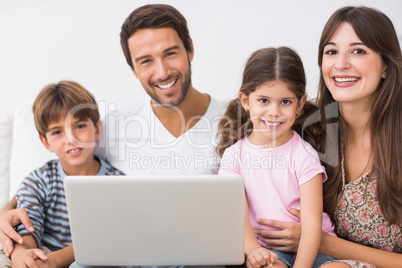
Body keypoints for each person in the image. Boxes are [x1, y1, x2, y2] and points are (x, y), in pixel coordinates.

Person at [0, 3, 225, 268]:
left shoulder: (238, 121)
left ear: (190, 49)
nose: (162, 72)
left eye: (170, 53)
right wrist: (5, 213)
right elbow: (60, 170)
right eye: (146, 61)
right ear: (133, 69)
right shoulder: (113, 128)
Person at [253, 6, 402, 268]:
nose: (340, 64)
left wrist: (324, 242)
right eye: (331, 52)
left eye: (358, 51)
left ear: (386, 67)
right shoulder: (307, 131)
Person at [217, 47, 336, 268]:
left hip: (314, 250)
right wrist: (254, 251)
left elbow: (311, 227)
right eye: (263, 100)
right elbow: (237, 217)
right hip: (268, 251)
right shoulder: (234, 157)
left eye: (285, 102)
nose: (274, 112)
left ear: (300, 104)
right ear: (245, 100)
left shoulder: (304, 155)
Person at [0, 81, 124, 267]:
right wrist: (23, 255)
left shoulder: (117, 184)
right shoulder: (39, 180)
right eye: (57, 132)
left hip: (88, 258)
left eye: (80, 126)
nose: (71, 139)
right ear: (46, 143)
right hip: (42, 253)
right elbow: (27, 229)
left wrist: (55, 261)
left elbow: (109, 239)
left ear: (97, 129)